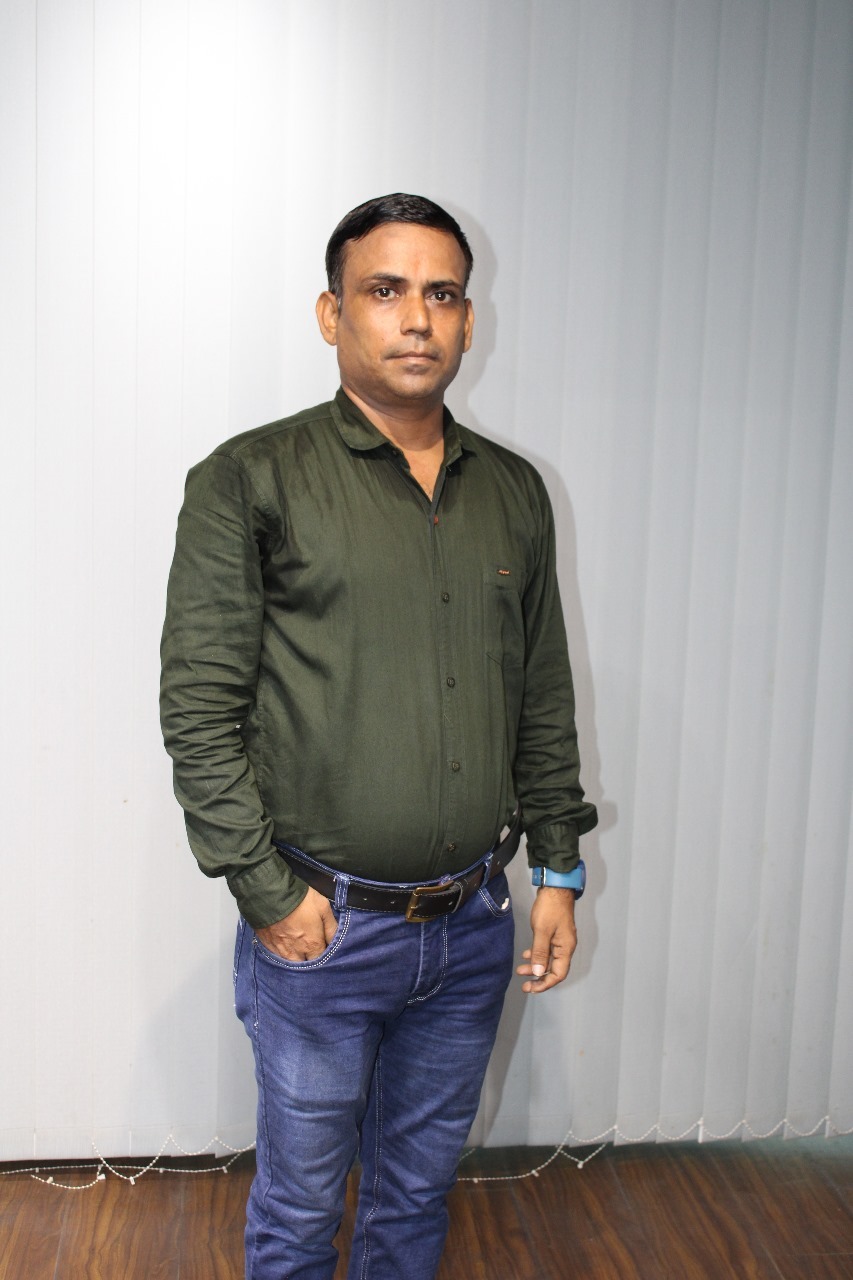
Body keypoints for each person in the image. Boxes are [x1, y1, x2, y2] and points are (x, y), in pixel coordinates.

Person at [160, 193, 597, 1280]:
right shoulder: (249, 479)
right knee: (302, 1209)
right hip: (323, 933)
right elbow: (199, 713)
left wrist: (556, 869)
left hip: (472, 929)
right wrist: (266, 890)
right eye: (385, 290)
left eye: (441, 294)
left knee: (413, 1198)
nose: (416, 318)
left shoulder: (513, 492)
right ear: (332, 314)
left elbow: (541, 693)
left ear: (468, 321)